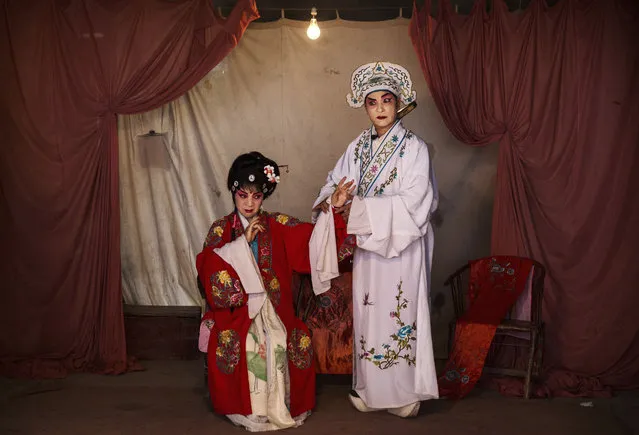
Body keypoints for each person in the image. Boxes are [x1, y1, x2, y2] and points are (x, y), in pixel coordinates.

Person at [310, 62, 439, 418]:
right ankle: (370, 390)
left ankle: (404, 395)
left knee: (400, 315)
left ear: (398, 103)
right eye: (372, 102)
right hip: (369, 247)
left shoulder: (415, 148)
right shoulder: (356, 148)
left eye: (386, 100)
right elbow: (333, 184)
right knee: (370, 316)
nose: (380, 108)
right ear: (364, 106)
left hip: (402, 247)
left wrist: (362, 209)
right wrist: (335, 199)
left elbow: (418, 201)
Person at [196, 151, 352, 431]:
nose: (249, 203)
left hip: (275, 307)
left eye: (256, 197)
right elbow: (208, 265)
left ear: (264, 197)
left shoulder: (277, 224)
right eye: (243, 195)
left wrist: (333, 208)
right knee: (250, 344)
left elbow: (314, 240)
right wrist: (242, 242)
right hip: (237, 310)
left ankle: (279, 406)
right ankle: (251, 408)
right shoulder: (221, 228)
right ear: (234, 192)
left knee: (280, 339)